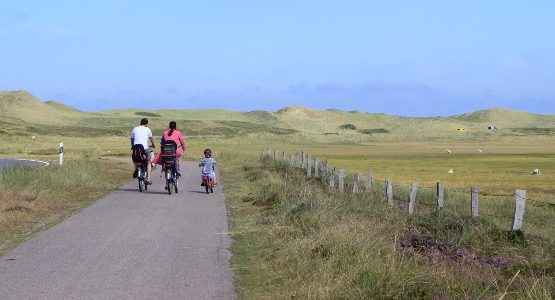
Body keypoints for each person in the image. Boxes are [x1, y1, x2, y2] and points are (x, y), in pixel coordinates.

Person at [131, 118, 155, 184]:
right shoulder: (148, 129)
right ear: (146, 124)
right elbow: (151, 138)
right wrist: (153, 144)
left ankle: (136, 169)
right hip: (144, 148)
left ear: (140, 123)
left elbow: (132, 139)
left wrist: (132, 146)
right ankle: (148, 178)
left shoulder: (135, 129)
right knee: (148, 162)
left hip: (136, 148)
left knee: (135, 158)